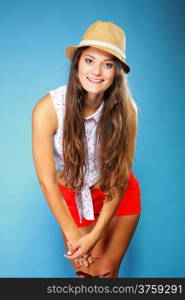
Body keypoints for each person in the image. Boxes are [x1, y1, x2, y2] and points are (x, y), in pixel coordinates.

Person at [32, 20, 142, 278]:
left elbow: (120, 176)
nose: (97, 71)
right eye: (89, 60)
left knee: (106, 274)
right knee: (86, 276)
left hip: (116, 195)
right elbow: (47, 180)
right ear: (77, 63)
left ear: (117, 72)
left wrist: (97, 234)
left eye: (108, 64)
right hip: (72, 197)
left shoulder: (128, 111)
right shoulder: (48, 109)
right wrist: (73, 234)